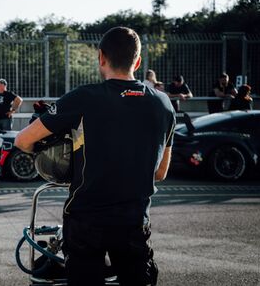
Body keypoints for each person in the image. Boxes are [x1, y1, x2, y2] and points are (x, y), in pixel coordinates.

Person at [15, 27, 175, 286]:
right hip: (134, 220)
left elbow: (23, 140)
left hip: (86, 221)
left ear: (101, 57)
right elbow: (160, 172)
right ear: (137, 61)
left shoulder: (83, 98)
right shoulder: (164, 104)